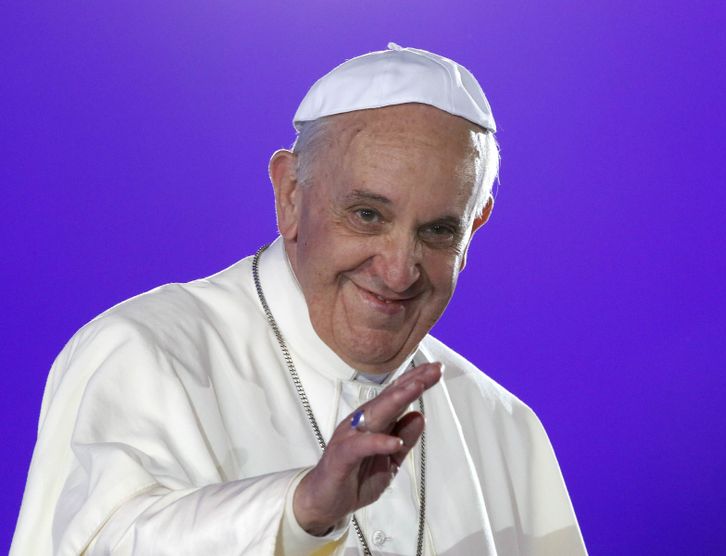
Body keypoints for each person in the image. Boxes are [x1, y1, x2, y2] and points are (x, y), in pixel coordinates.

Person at [11, 44, 587, 555]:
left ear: (474, 229)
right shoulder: (145, 353)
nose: (397, 271)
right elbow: (102, 541)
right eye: (367, 215)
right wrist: (301, 512)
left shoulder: (504, 425)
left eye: (437, 231)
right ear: (290, 194)